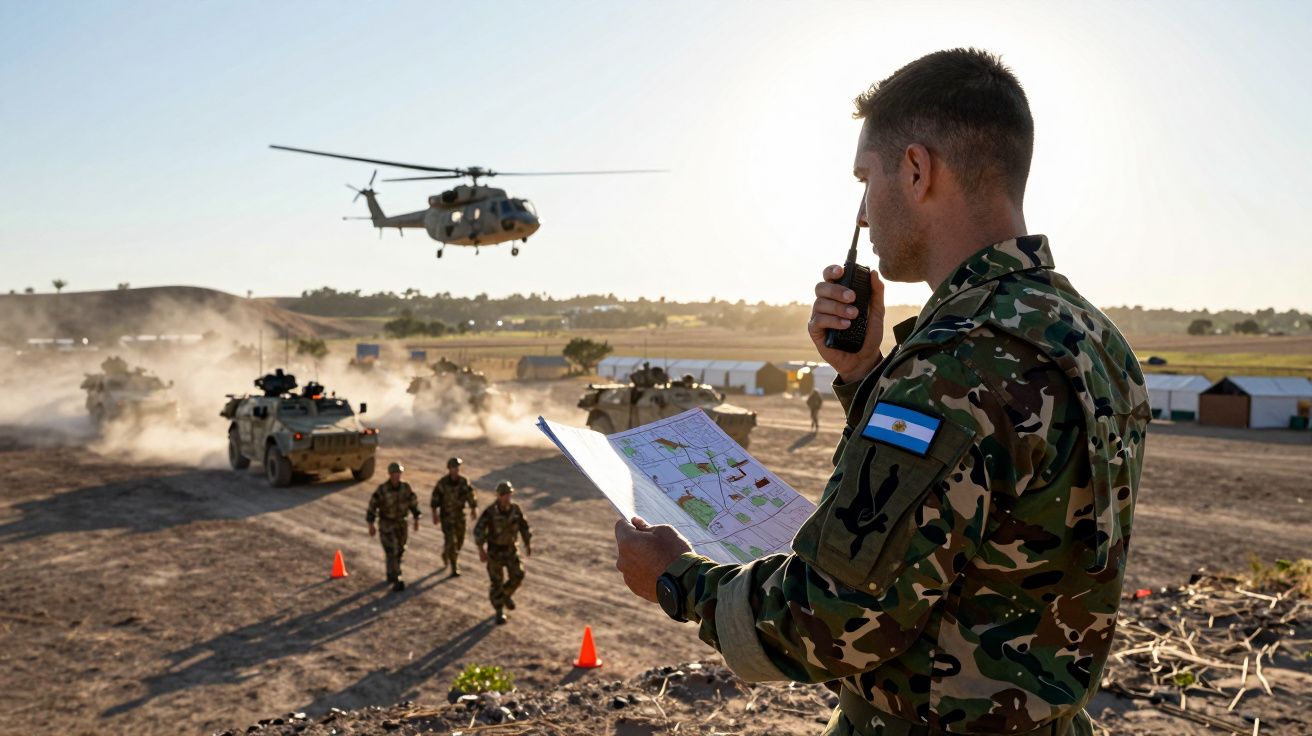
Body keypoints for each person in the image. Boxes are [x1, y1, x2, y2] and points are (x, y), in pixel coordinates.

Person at [614, 48, 1150, 736]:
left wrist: (674, 579)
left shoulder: (954, 361)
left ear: (917, 170)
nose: (864, 214)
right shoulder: (1094, 338)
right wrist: (867, 374)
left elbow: (833, 620)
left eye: (866, 178)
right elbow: (993, 509)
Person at [474, 481, 532, 625]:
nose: (507, 497)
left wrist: (527, 543)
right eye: (504, 495)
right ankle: (499, 612)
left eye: (509, 494)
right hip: (495, 552)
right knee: (497, 582)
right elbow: (479, 530)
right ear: (499, 496)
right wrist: (481, 549)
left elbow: (524, 527)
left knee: (518, 575)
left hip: (511, 550)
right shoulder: (490, 512)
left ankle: (505, 596)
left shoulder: (515, 509)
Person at [366, 461, 420, 592]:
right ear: (390, 475)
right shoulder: (382, 490)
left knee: (400, 550)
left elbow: (413, 504)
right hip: (387, 525)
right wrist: (371, 525)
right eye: (395, 473)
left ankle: (391, 573)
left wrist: (417, 519)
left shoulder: (406, 488)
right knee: (392, 551)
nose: (397, 476)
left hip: (402, 524)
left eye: (399, 473)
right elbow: (372, 507)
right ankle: (397, 578)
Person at [431, 457, 478, 576]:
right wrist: (434, 514)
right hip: (446, 517)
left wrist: (473, 508)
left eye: (457, 468)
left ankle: (446, 554)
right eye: (453, 468)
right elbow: (435, 499)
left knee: (460, 541)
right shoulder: (442, 483)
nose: (456, 470)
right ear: (449, 469)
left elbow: (470, 495)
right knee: (451, 541)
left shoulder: (463, 481)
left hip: (459, 516)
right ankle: (454, 567)